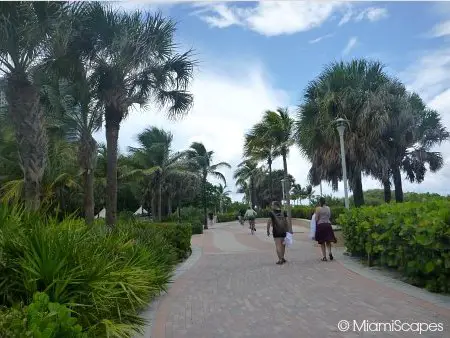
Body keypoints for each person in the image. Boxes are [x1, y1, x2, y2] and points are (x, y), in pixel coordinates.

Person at [315, 197, 337, 261]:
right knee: (328, 241)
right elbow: (329, 216)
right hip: (328, 225)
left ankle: (324, 257)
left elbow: (316, 219)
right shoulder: (328, 208)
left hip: (321, 225)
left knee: (322, 242)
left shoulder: (318, 209)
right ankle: (330, 252)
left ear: (319, 202)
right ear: (325, 202)